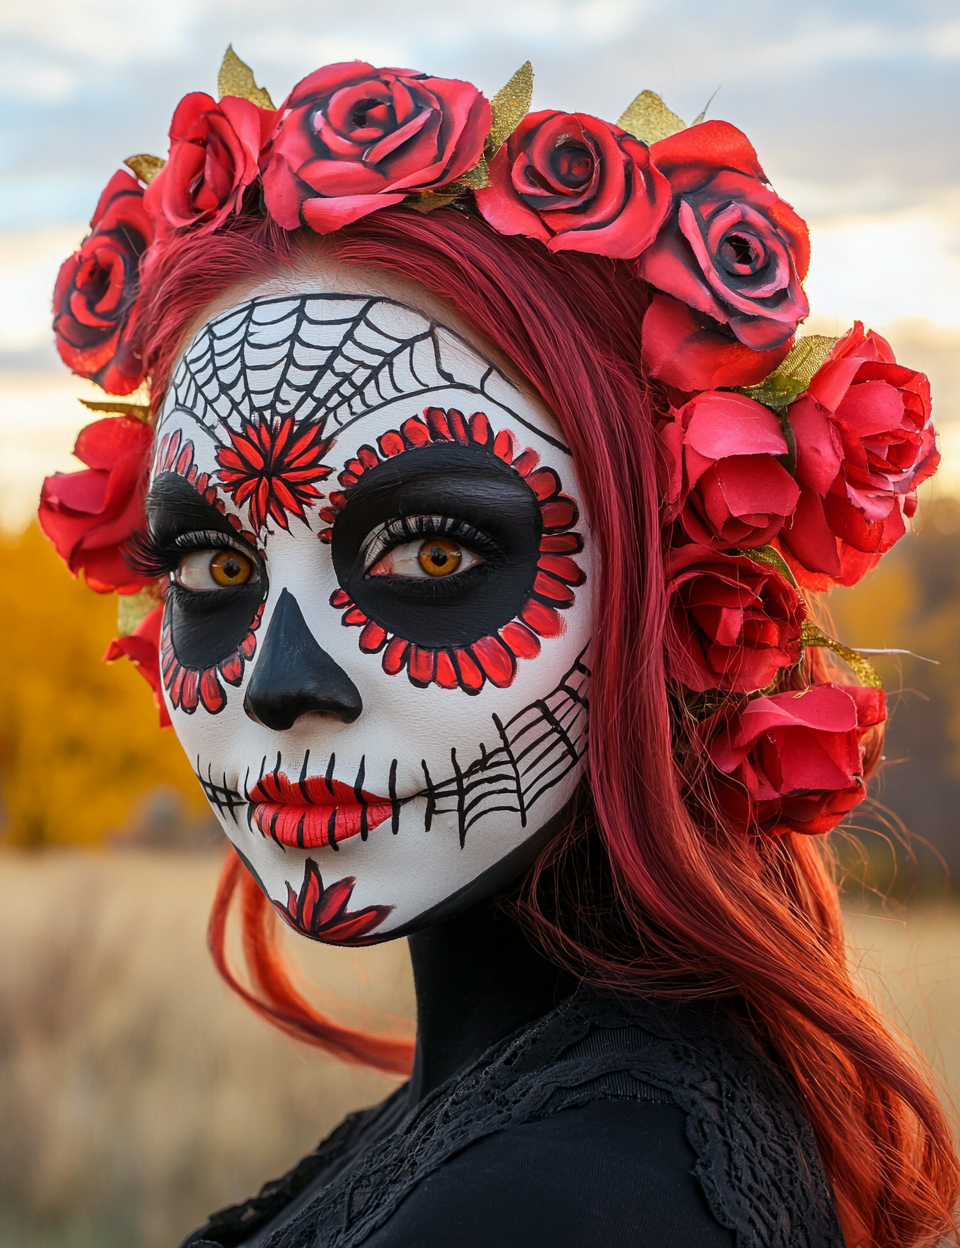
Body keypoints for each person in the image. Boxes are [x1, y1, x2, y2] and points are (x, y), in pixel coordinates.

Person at [39, 51, 959, 1248]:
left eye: (430, 555)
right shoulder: (530, 1128)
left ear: (660, 585)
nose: (277, 684)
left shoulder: (560, 1198)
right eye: (216, 569)